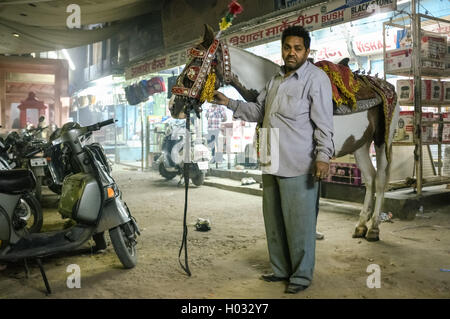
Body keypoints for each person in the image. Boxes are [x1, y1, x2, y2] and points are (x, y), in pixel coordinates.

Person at [213, 26, 334, 294]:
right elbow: (258, 110)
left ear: (307, 51)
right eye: (287, 48)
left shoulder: (315, 79)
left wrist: (323, 157)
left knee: (299, 224)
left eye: (297, 48)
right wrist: (228, 102)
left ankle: (301, 276)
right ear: (282, 49)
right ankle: (280, 269)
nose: (292, 53)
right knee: (274, 220)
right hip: (270, 158)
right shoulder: (276, 80)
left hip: (298, 162)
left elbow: (324, 123)